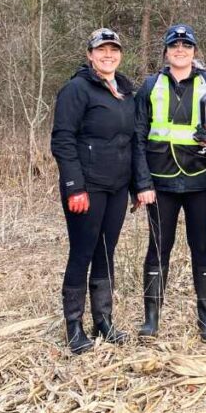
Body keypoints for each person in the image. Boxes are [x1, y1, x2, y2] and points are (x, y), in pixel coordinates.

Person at [132, 24, 206, 342]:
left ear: (194, 51)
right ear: (165, 51)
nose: (180, 50)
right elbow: (137, 137)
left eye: (186, 45)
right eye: (174, 45)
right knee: (158, 248)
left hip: (200, 180)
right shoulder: (150, 86)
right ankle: (151, 319)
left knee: (202, 249)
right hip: (159, 183)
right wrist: (141, 182)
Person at [50, 28, 135, 354]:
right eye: (101, 50)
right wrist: (75, 186)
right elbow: (62, 140)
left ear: (120, 54)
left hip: (117, 187)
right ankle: (74, 326)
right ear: (90, 55)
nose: (108, 55)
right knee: (82, 252)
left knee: (106, 251)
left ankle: (104, 320)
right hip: (86, 187)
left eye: (113, 50)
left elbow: (130, 139)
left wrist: (136, 183)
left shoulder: (124, 90)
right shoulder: (76, 89)